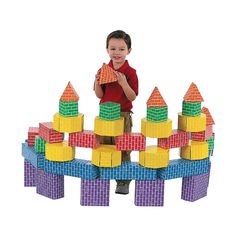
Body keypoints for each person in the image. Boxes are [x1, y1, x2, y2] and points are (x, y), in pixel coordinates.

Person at [94, 30, 139, 194]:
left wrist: (123, 83)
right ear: (107, 50)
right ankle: (103, 175)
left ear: (129, 51)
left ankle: (123, 180)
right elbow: (99, 95)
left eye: (121, 49)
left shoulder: (131, 72)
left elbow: (132, 97)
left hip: (123, 115)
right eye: (113, 49)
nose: (117, 53)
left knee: (123, 147)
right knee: (104, 145)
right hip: (105, 115)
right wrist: (97, 81)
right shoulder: (105, 70)